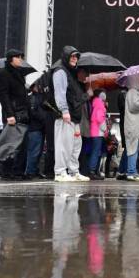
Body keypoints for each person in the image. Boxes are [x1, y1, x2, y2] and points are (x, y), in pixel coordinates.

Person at [50, 46, 88, 182]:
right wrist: (64, 111)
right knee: (63, 145)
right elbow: (59, 93)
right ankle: (60, 172)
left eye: (76, 56)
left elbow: (74, 96)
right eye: (72, 56)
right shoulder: (60, 71)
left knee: (75, 145)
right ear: (66, 56)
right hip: (65, 116)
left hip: (74, 117)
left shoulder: (70, 73)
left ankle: (73, 171)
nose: (75, 59)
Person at [25, 78, 48, 180]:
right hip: (35, 128)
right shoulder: (33, 98)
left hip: (40, 128)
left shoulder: (41, 97)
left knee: (38, 151)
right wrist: (44, 119)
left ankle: (35, 170)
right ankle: (30, 171)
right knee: (34, 151)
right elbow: (33, 112)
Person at [87, 90, 108, 180]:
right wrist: (105, 129)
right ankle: (92, 171)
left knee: (95, 151)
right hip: (98, 132)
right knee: (96, 152)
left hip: (94, 131)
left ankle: (94, 170)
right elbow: (100, 118)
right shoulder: (99, 104)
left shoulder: (95, 103)